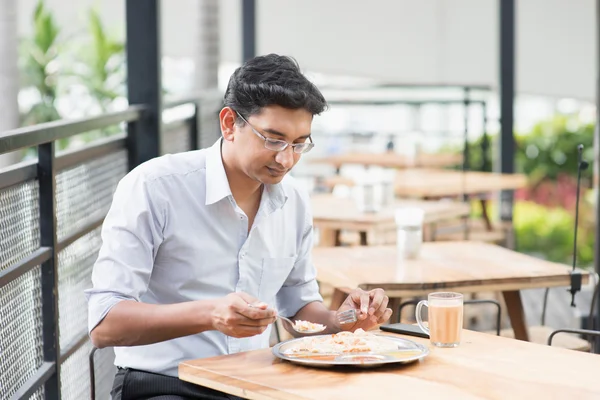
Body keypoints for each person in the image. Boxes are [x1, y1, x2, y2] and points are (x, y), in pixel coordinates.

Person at [85, 54, 392, 400]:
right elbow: (104, 324)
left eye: (298, 143)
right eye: (273, 139)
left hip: (255, 382)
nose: (286, 159)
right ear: (230, 123)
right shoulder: (154, 187)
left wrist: (343, 320)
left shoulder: (294, 202)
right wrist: (210, 313)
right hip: (164, 385)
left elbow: (300, 307)